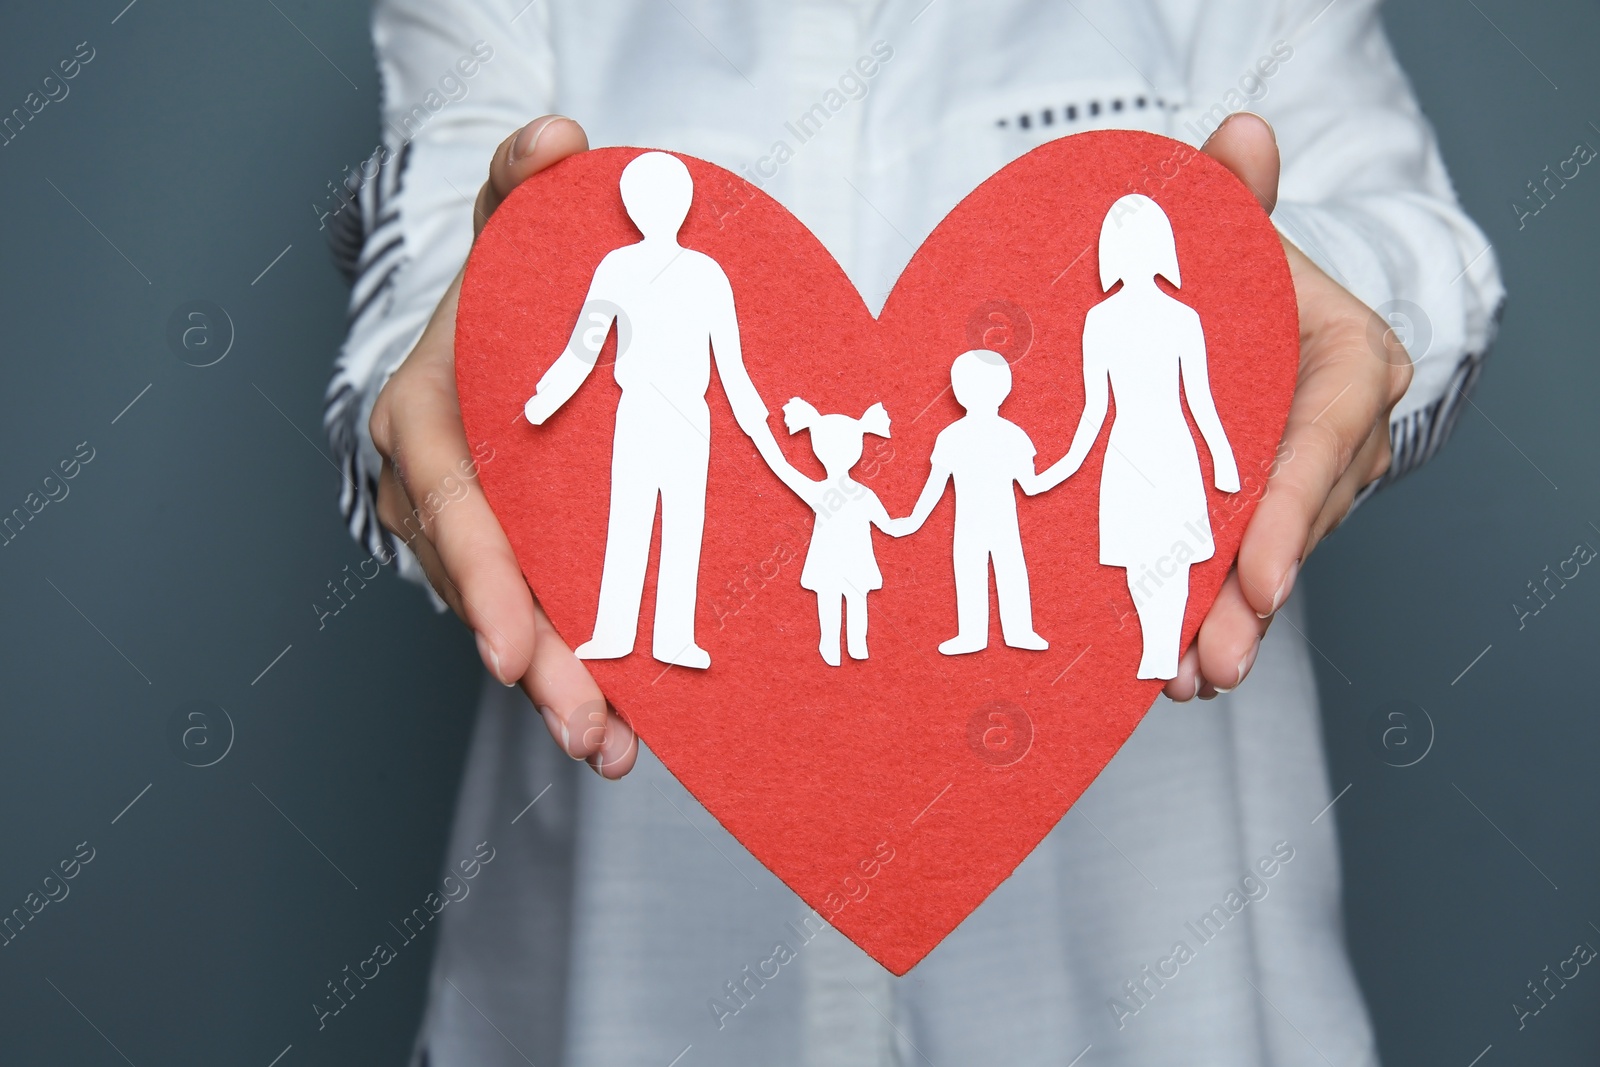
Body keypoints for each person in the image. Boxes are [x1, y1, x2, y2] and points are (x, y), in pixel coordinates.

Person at [326, 1, 1504, 1063]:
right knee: (664, 556)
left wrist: (1289, 318)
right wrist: (468, 388)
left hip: (1168, 1001)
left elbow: (1425, 254)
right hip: (614, 1004)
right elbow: (414, 312)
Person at [523, 150, 780, 670]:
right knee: (631, 517)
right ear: (631, 205)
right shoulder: (616, 267)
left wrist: (757, 424)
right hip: (638, 410)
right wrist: (547, 396)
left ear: (685, 204)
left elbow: (731, 362)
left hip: (690, 415)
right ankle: (614, 633)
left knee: (686, 522)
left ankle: (675, 640)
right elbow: (585, 346)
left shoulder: (707, 274)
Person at [1042, 194, 1240, 680]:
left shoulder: (1183, 318)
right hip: (1126, 451)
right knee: (1139, 553)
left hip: (1171, 447)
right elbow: (1095, 409)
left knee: (1172, 551)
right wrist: (1062, 467)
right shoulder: (1099, 320)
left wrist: (1224, 460)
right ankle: (1154, 647)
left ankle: (1165, 646)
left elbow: (1200, 398)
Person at [892, 349, 1053, 654]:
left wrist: (1070, 464)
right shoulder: (964, 436)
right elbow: (936, 485)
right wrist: (913, 520)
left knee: (1004, 569)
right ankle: (974, 635)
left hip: (994, 523)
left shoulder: (991, 435)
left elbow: (1030, 485)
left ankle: (1017, 631)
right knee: (977, 569)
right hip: (972, 523)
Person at [757, 397, 898, 666]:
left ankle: (838, 645)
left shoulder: (820, 491)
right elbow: (888, 525)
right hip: (850, 559)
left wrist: (760, 434)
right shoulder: (859, 493)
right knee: (851, 599)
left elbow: (782, 468)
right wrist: (911, 522)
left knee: (836, 599)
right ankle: (850, 645)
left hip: (834, 559)